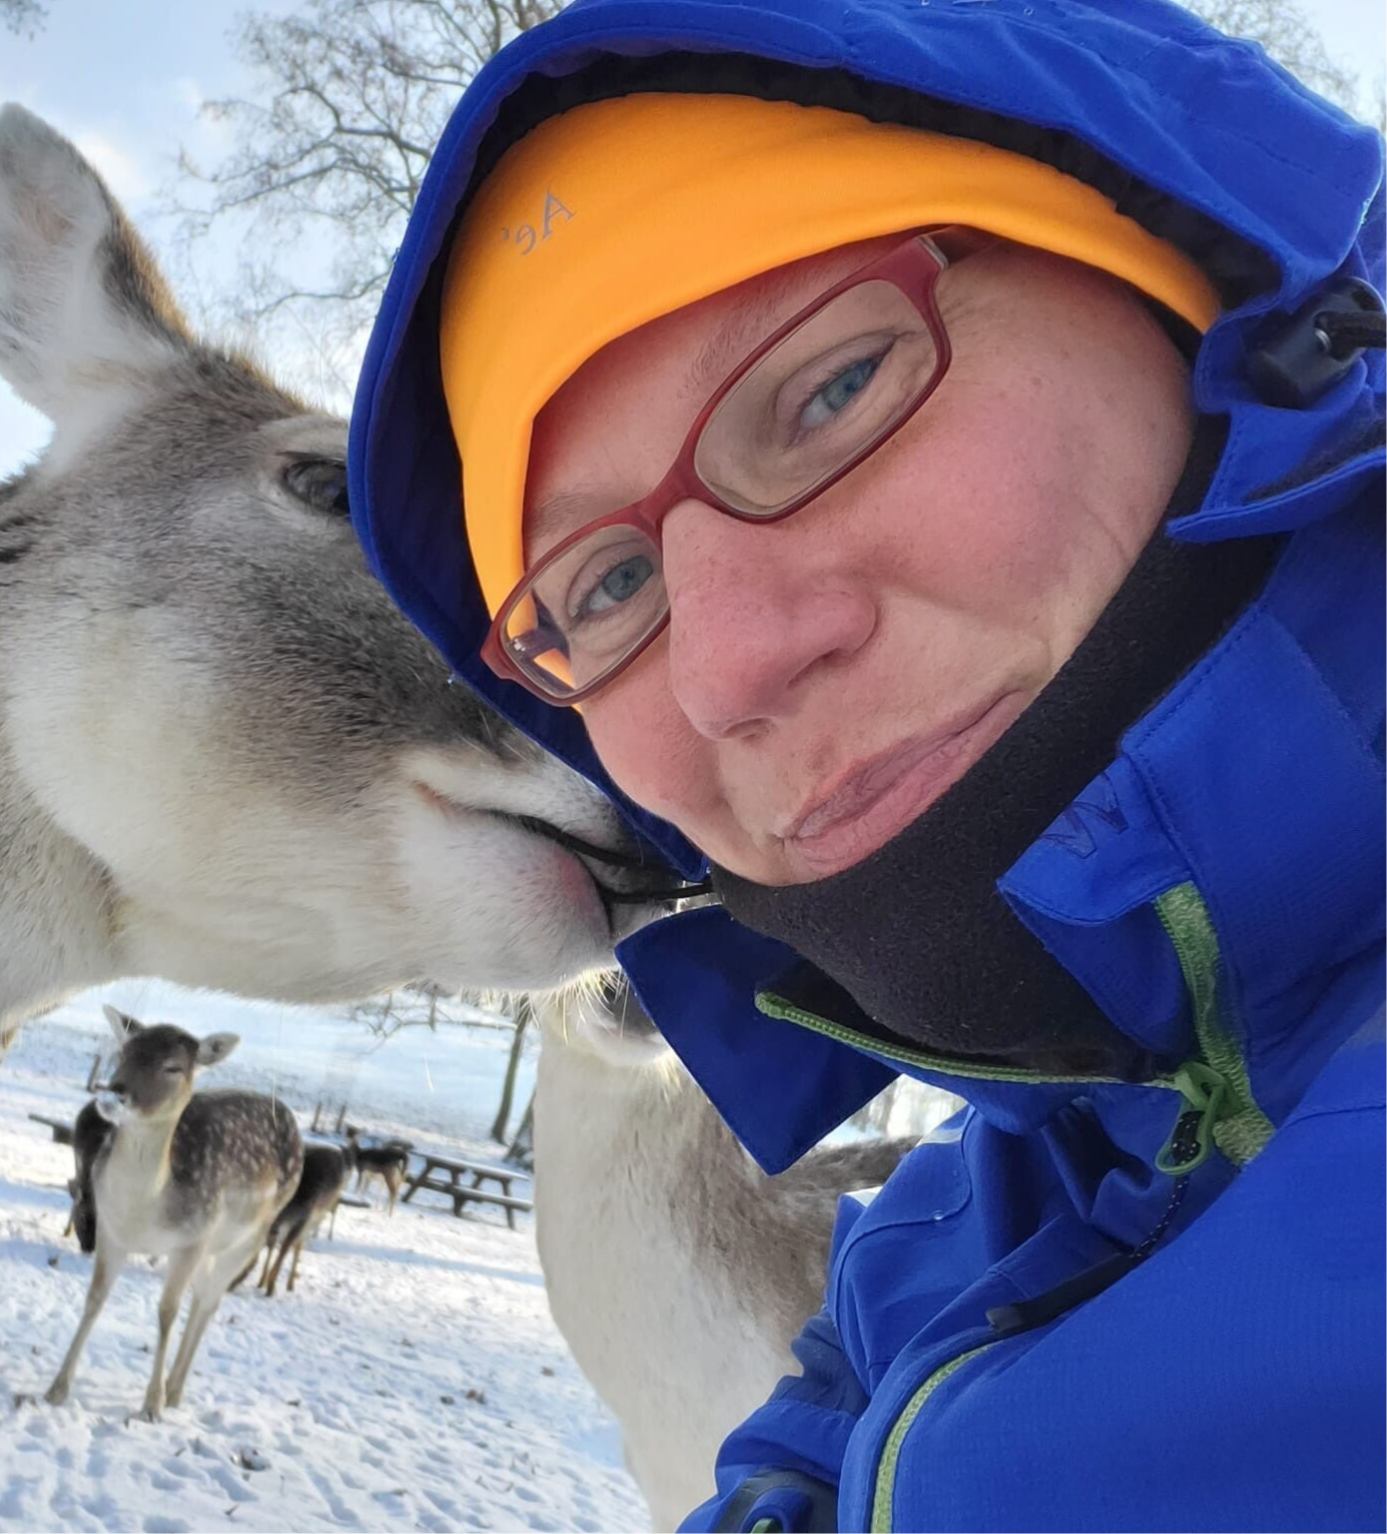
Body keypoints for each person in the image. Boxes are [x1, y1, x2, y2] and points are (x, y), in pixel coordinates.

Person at [348, 0, 1387, 1527]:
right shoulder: (977, 1213)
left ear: (1214, 320)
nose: (725, 671)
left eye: (832, 389)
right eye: (607, 587)